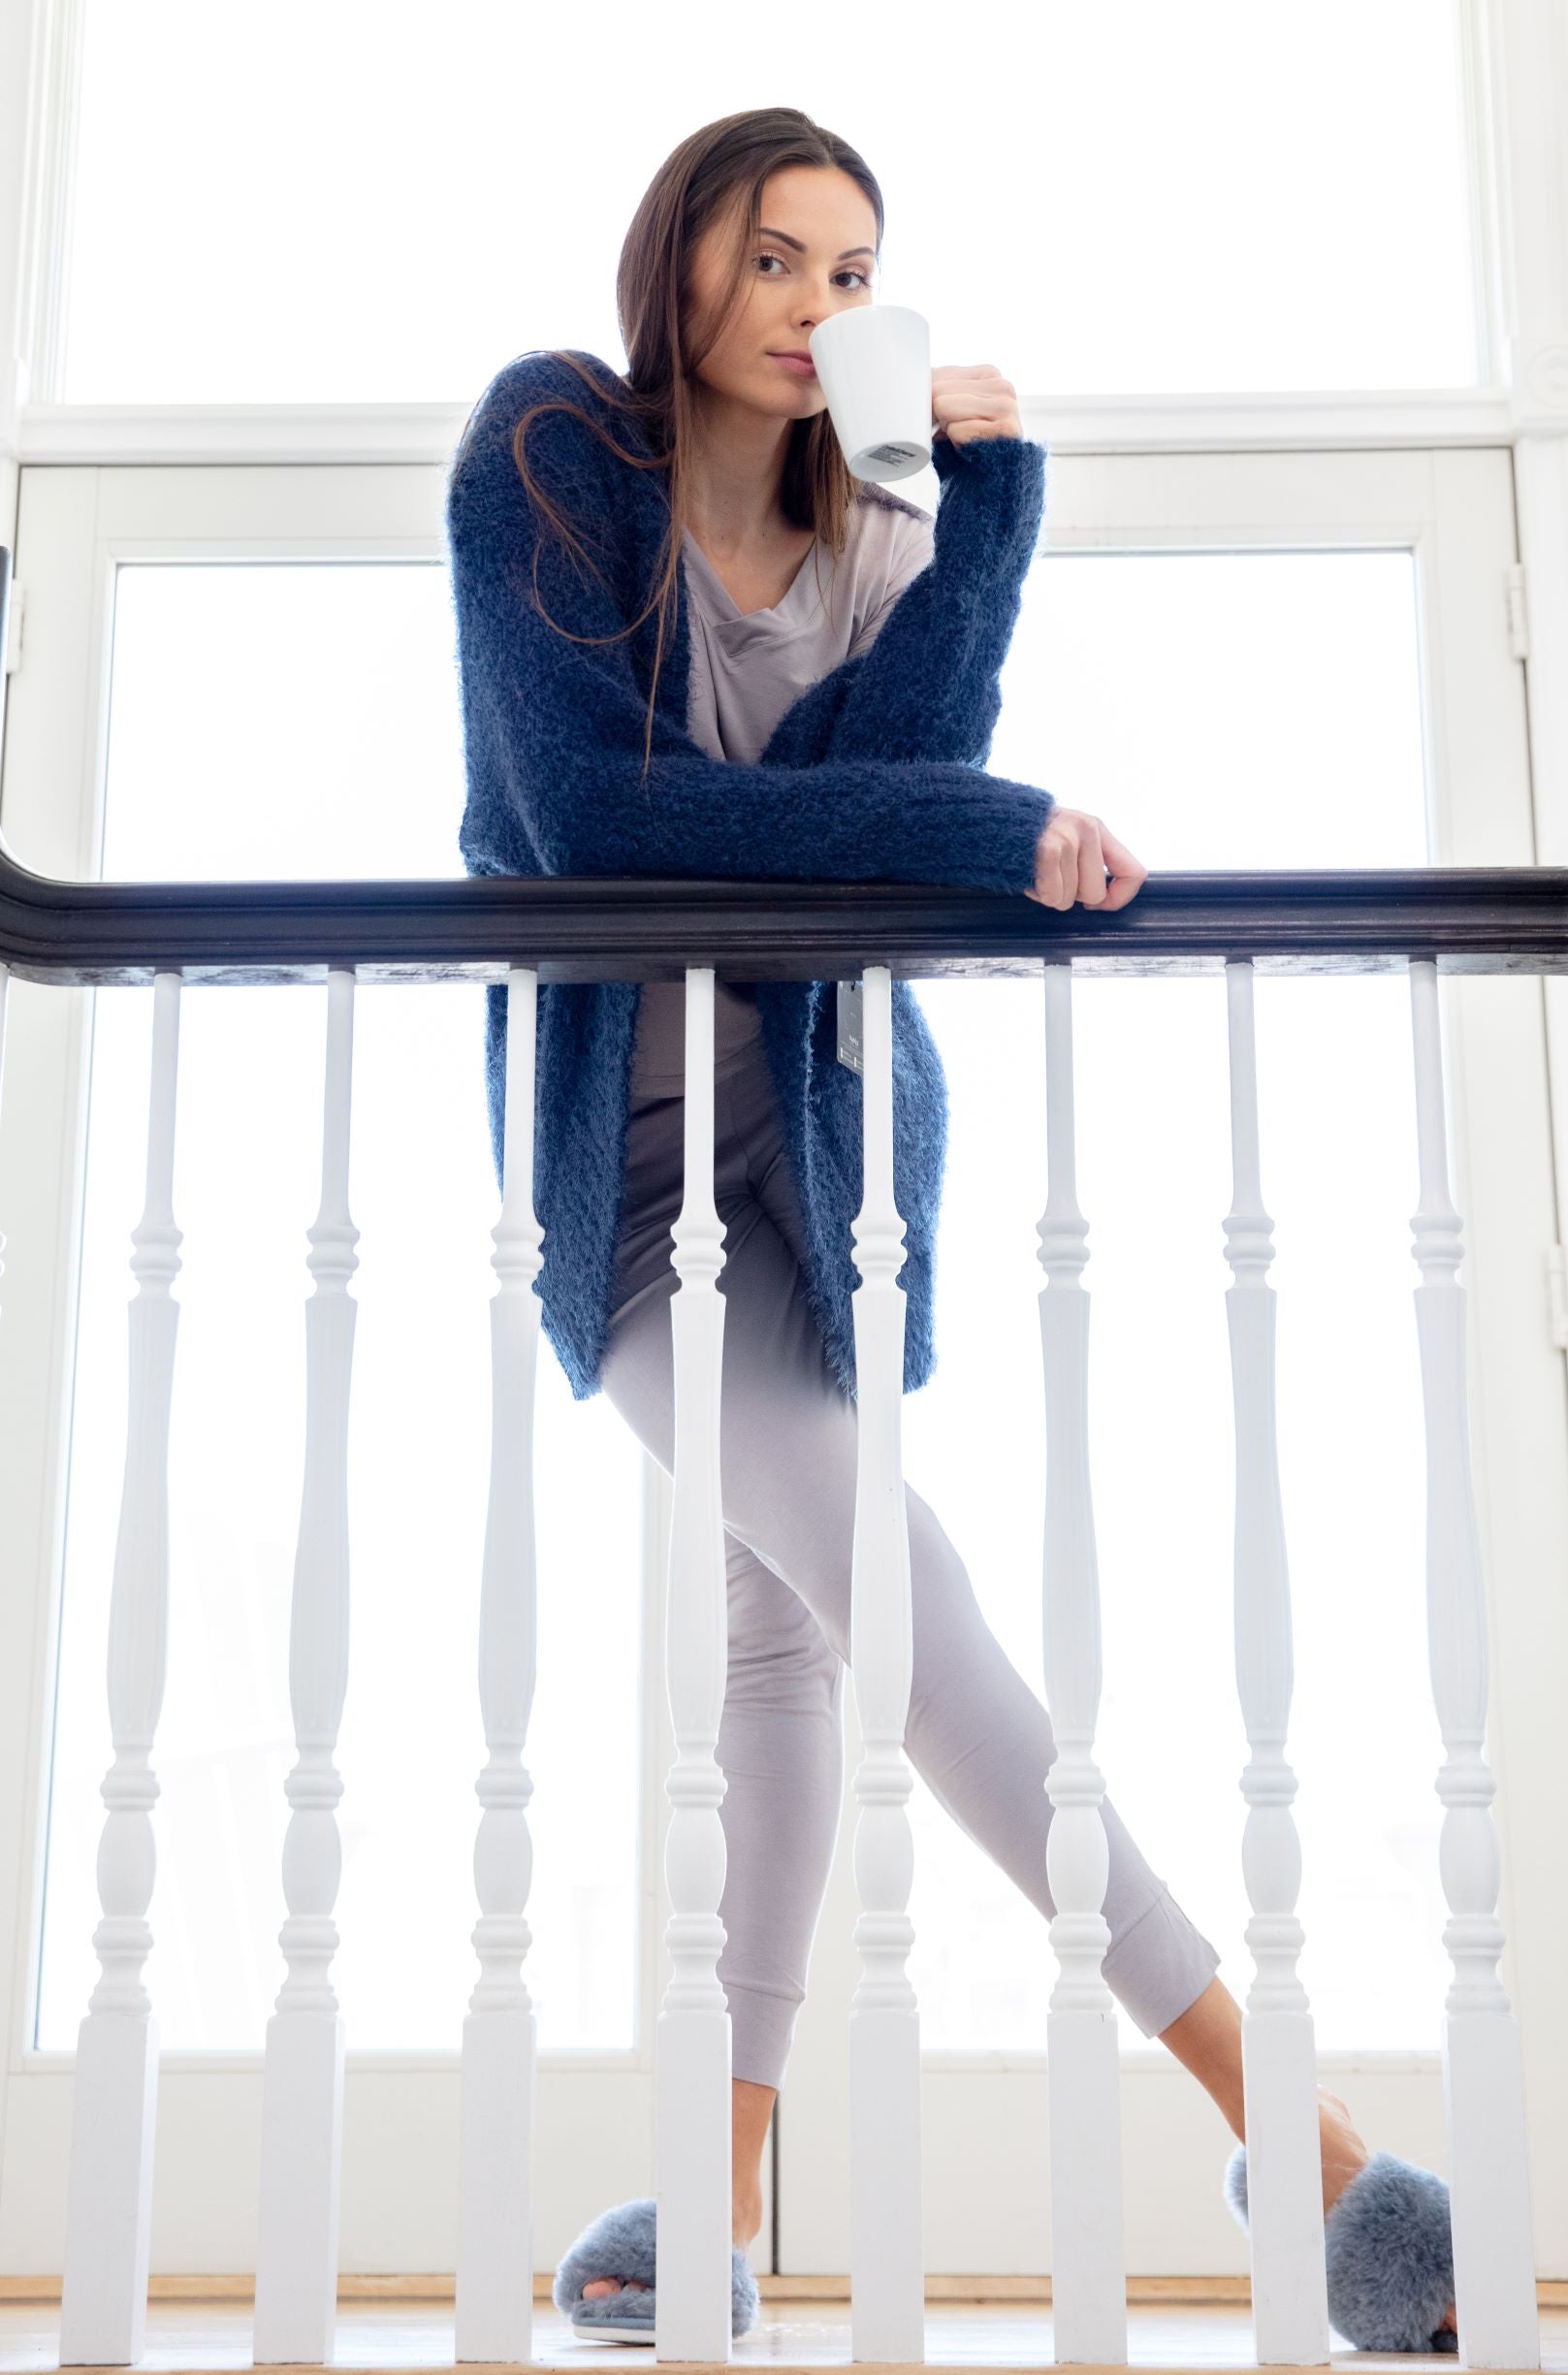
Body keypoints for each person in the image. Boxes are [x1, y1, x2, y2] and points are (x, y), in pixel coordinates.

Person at [446, 105, 1456, 2356]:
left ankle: (709, 2204)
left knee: (794, 1633)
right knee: (895, 1601)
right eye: (771, 258)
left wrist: (991, 502)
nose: (811, 308)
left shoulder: (879, 524)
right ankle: (1299, 2141)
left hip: (821, 1164)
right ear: (679, 263)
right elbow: (595, 814)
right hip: (626, 1182)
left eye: (850, 273)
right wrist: (1001, 827)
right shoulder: (547, 452)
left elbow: (872, 817)